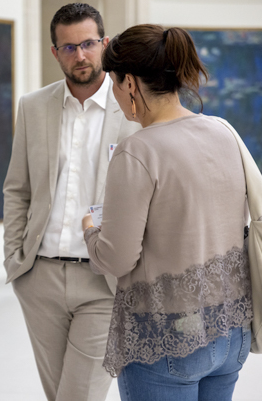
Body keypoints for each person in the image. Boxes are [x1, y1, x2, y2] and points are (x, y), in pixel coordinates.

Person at [82, 25, 253, 401]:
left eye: (113, 82)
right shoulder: (223, 132)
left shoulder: (138, 150)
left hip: (168, 340)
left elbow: (117, 257)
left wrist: (91, 230)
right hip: (231, 331)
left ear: (129, 83)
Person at [2, 3, 140, 401]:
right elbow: (18, 188)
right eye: (68, 47)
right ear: (54, 52)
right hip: (39, 278)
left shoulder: (132, 108)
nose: (80, 55)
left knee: (79, 396)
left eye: (88, 44)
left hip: (105, 280)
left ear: (105, 44)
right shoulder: (33, 106)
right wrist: (15, 259)